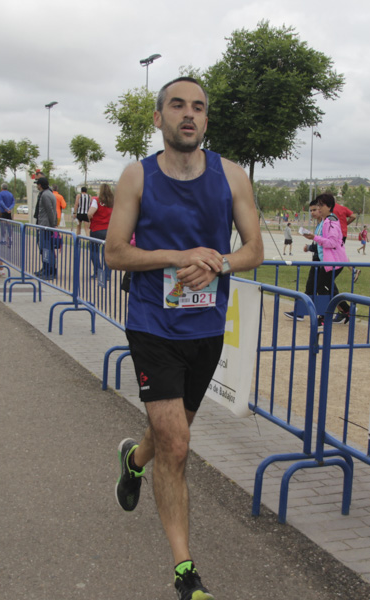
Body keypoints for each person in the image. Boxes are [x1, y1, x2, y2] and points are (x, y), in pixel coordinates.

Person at [105, 76, 263, 600]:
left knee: (171, 438)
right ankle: (185, 575)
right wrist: (177, 257)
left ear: (206, 120)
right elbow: (115, 252)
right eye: (177, 105)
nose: (188, 114)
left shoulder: (232, 176)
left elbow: (255, 250)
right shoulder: (138, 176)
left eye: (198, 107)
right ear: (159, 117)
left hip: (207, 329)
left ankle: (133, 459)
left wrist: (219, 262)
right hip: (152, 325)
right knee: (177, 443)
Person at [286, 193, 350, 324]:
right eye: (316, 207)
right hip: (325, 261)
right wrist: (313, 241)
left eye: (320, 206)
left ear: (329, 206)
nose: (318, 209)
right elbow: (325, 243)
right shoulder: (326, 221)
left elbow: (331, 243)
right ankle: (343, 312)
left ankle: (329, 315)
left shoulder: (330, 221)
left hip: (331, 262)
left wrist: (313, 238)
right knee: (321, 287)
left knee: (323, 288)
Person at [32, 177, 58, 278]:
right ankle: (46, 268)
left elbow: (50, 211)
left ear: (40, 185)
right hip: (45, 225)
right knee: (45, 249)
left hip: (46, 226)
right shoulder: (47, 194)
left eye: (37, 184)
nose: (37, 186)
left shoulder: (46, 195)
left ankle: (50, 271)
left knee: (47, 249)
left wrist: (52, 225)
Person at [88, 183, 114, 283]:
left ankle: (97, 272)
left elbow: (90, 213)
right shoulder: (113, 202)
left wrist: (89, 218)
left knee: (94, 252)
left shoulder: (96, 200)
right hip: (109, 229)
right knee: (107, 253)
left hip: (97, 229)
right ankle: (107, 274)